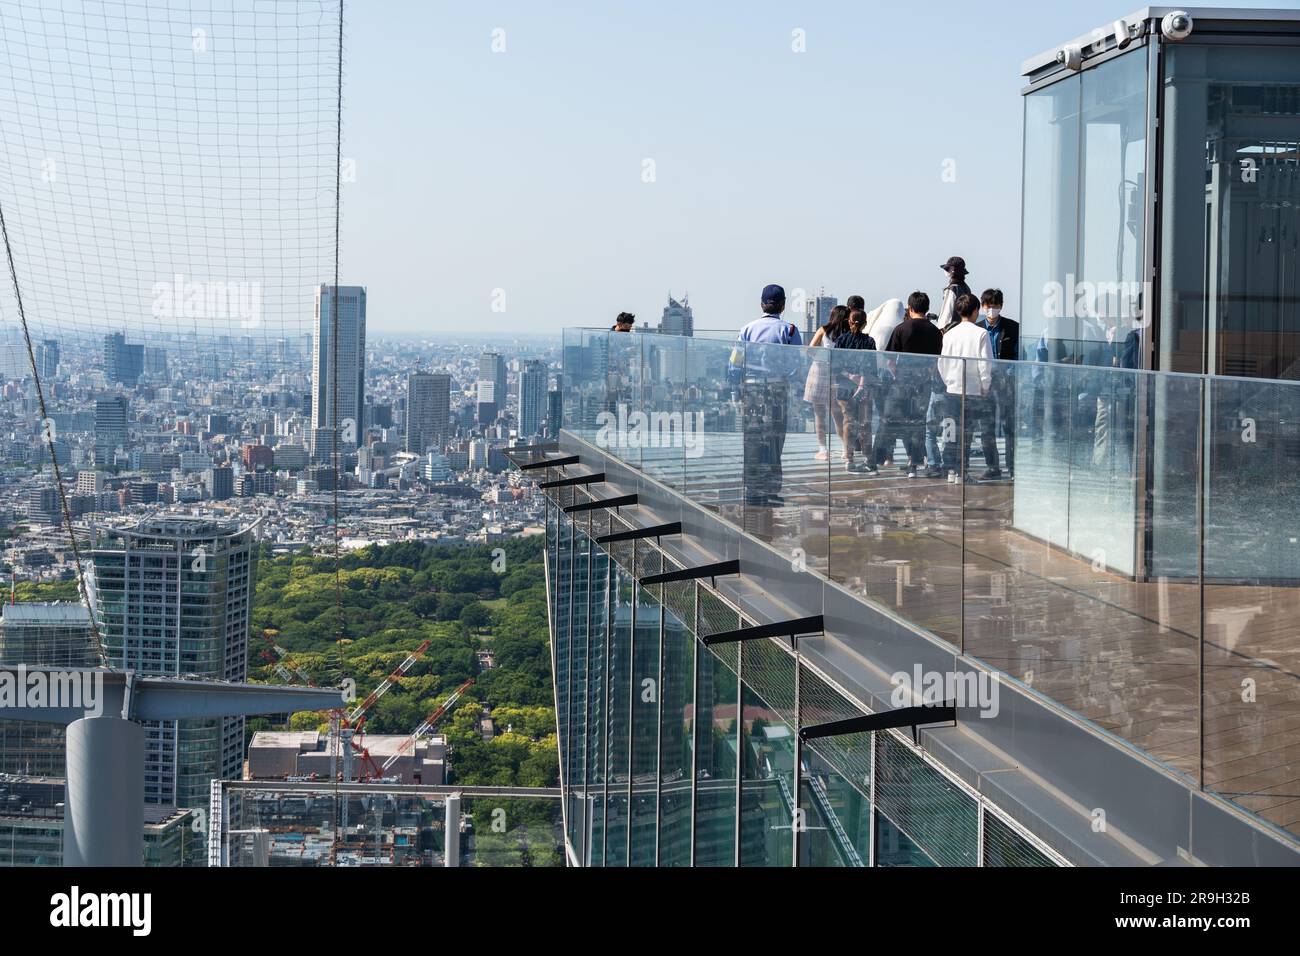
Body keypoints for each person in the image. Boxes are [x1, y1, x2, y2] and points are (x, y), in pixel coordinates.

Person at [735, 284, 802, 540]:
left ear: (762, 304)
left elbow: (735, 361)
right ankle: (771, 488)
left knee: (752, 437)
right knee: (775, 437)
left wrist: (735, 388)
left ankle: (752, 488)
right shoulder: (790, 330)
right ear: (782, 305)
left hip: (751, 388)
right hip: (776, 389)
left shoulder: (747, 329)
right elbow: (797, 362)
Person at [875, 292, 942, 478]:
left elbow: (889, 358)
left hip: (902, 383)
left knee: (892, 419)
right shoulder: (936, 332)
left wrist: (898, 373)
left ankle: (878, 459)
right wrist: (926, 375)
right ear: (927, 308)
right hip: (924, 385)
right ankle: (914, 463)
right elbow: (936, 360)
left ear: (910, 309)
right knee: (917, 423)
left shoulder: (901, 328)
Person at [937, 292, 996, 481]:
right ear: (975, 310)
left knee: (951, 432)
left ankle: (951, 471)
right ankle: (962, 473)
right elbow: (985, 364)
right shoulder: (981, 333)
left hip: (952, 390)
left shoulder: (950, 334)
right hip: (973, 391)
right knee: (967, 434)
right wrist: (985, 386)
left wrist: (949, 381)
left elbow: (942, 363)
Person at [977, 289, 1019, 477]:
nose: (991, 309)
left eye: (995, 306)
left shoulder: (1013, 327)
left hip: (1007, 385)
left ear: (1001, 306)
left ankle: (1012, 467)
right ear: (982, 306)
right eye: (988, 306)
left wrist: (1007, 375)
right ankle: (992, 466)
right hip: (985, 385)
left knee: (1009, 426)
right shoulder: (977, 328)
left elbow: (1018, 356)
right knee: (986, 426)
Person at [803, 305, 850, 461]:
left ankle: (823, 450)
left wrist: (820, 354)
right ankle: (845, 449)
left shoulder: (823, 330)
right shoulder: (847, 334)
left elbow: (810, 350)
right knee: (837, 414)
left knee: (819, 414)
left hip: (818, 370)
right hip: (838, 373)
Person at [834, 308, 877, 473]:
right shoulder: (870, 342)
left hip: (845, 388)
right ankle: (868, 458)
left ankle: (849, 457)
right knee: (865, 423)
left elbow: (835, 365)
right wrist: (861, 383)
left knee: (848, 422)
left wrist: (850, 376)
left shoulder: (841, 340)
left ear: (848, 322)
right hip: (865, 389)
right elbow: (870, 367)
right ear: (865, 323)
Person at [936, 256, 972, 332]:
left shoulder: (952, 290)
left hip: (949, 331)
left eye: (947, 269)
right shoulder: (966, 288)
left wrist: (941, 331)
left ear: (952, 271)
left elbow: (947, 315)